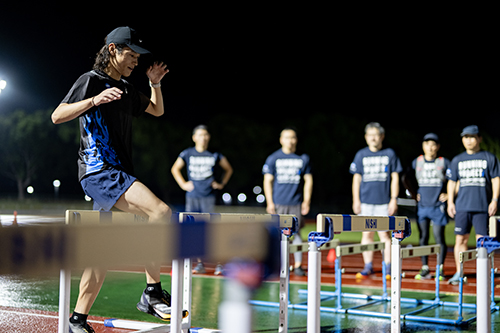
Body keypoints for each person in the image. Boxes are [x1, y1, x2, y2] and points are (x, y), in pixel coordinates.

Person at [51, 26, 180, 333]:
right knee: (160, 212)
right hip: (99, 171)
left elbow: (157, 110)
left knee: (101, 255)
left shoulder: (126, 89)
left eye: (138, 56)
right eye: (131, 55)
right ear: (112, 50)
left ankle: (77, 321)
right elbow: (58, 115)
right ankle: (152, 292)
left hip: (118, 173)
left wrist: (154, 84)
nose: (136, 61)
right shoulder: (91, 81)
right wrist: (94, 101)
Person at [171, 124, 233, 275]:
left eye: (205, 135)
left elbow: (228, 169)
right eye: (200, 135)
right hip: (192, 196)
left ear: (208, 137)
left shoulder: (214, 154)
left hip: (209, 197)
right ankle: (200, 264)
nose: (203, 138)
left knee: (212, 229)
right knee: (195, 230)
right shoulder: (187, 153)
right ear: (194, 137)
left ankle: (219, 264)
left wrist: (221, 184)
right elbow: (175, 168)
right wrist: (183, 184)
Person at [446, 125, 500, 285]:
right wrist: (450, 202)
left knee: (482, 241)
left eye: (471, 137)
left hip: (482, 207)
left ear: (479, 138)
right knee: (460, 240)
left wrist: (495, 200)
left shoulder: (488, 157)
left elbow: (496, 179)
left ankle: (483, 272)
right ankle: (459, 272)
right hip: (462, 207)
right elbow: (452, 182)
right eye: (465, 137)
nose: (468, 140)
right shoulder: (457, 160)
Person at [350, 122, 402, 279]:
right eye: (370, 135)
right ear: (366, 137)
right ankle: (368, 266)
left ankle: (388, 266)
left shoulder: (389, 154)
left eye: (376, 134)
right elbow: (356, 179)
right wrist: (356, 200)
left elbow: (395, 177)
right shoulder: (361, 155)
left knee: (384, 236)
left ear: (382, 136)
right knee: (367, 235)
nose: (373, 138)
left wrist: (393, 199)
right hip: (366, 202)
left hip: (383, 203)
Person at [262, 128, 313, 276]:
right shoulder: (273, 158)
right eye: (286, 138)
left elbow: (308, 180)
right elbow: (267, 181)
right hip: (278, 203)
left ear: (296, 140)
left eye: (292, 138)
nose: (290, 141)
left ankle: (298, 266)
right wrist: (269, 202)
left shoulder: (303, 158)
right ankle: (278, 265)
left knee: (296, 234)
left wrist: (306, 201)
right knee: (277, 235)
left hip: (296, 203)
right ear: (281, 140)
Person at [410, 133, 450, 280]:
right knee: (423, 237)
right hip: (422, 207)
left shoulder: (443, 162)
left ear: (438, 147)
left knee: (439, 238)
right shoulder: (417, 162)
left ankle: (440, 268)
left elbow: (454, 178)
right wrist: (413, 194)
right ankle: (425, 268)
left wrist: (449, 194)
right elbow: (405, 177)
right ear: (423, 146)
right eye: (427, 144)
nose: (430, 147)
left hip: (438, 207)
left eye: (433, 144)